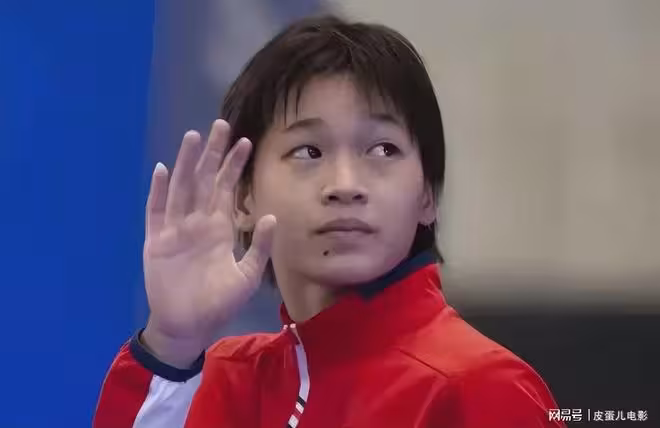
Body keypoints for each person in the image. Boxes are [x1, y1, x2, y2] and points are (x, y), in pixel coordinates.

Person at [93, 15, 565, 428]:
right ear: (243, 196)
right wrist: (172, 344)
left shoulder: (481, 389)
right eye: (309, 151)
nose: (345, 185)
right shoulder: (218, 381)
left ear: (427, 196)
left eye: (383, 149)